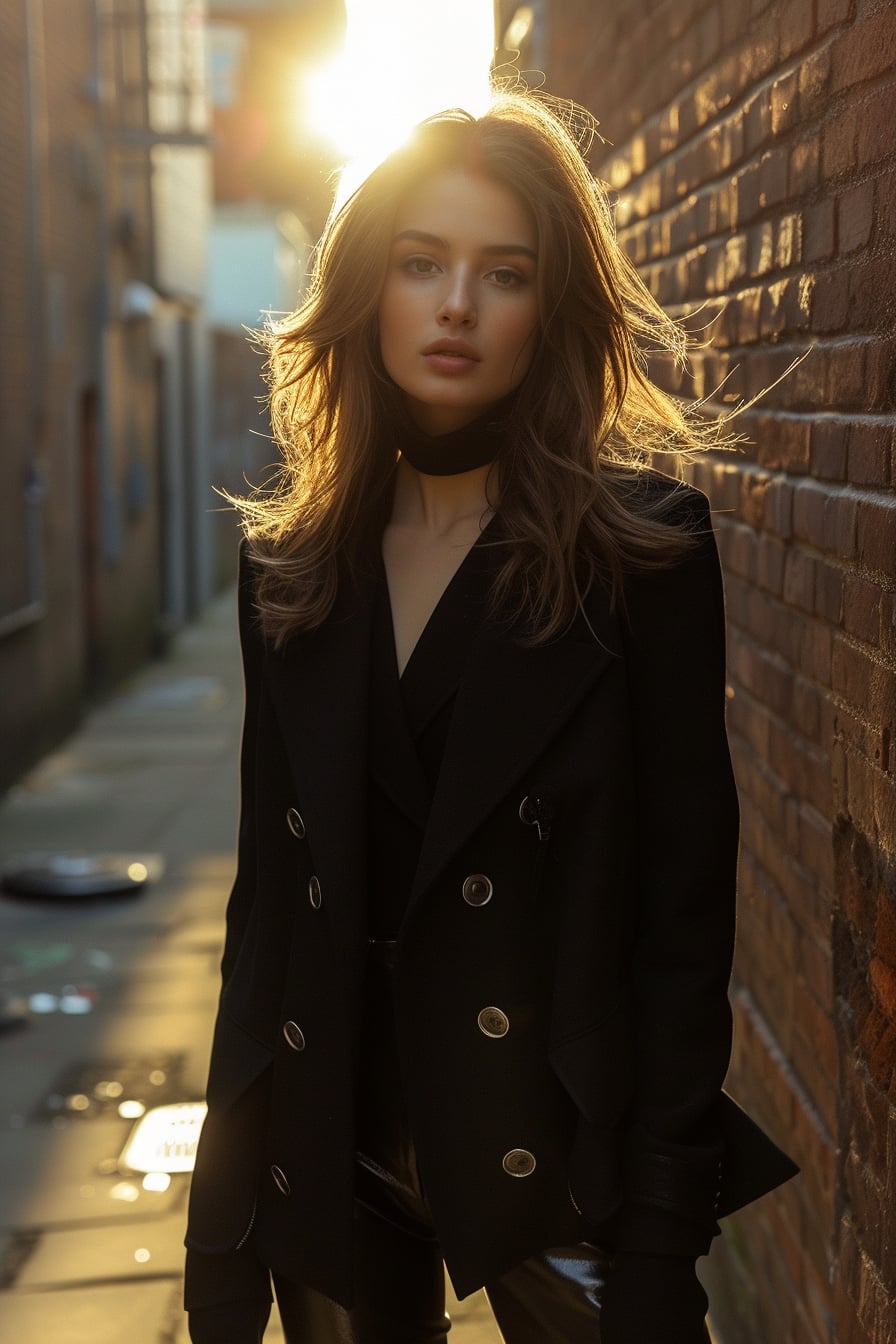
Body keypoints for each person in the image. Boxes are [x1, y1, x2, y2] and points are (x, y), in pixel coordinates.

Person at [184, 90, 797, 1343]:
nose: (456, 304)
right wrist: (222, 1221)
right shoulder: (293, 568)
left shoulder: (642, 556)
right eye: (421, 264)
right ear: (368, 288)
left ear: (548, 309)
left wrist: (661, 1235)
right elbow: (266, 910)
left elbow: (682, 925)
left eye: (502, 273)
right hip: (329, 1150)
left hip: (554, 1168)